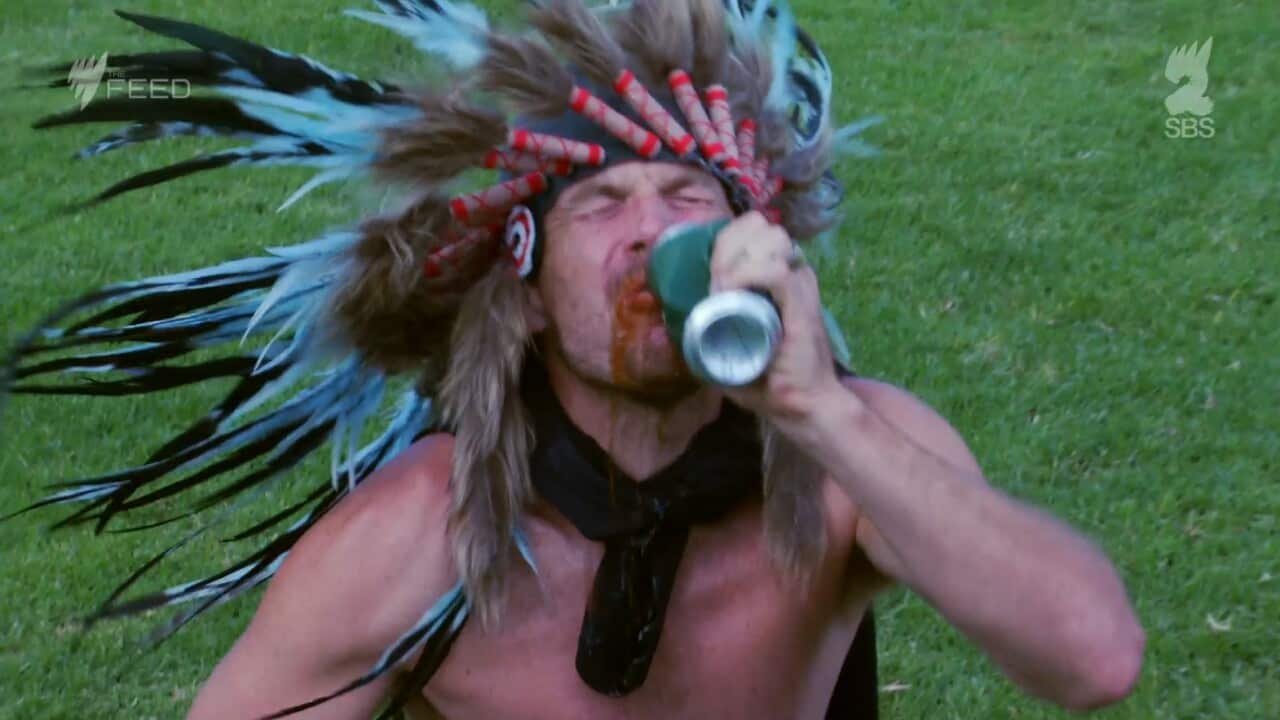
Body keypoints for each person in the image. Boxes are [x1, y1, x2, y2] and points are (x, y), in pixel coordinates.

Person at [8, 1, 1144, 718]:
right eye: (600, 205)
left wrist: (820, 412)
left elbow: (1093, 660)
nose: (649, 232)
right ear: (528, 287)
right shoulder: (410, 543)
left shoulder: (855, 462)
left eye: (688, 197)